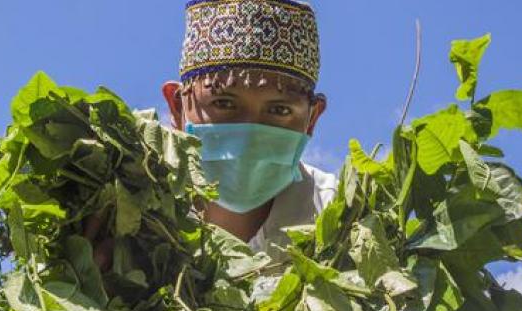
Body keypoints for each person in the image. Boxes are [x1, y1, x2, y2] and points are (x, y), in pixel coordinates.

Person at [86, 0, 337, 267]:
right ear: (177, 106)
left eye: (279, 109)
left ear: (311, 118)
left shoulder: (337, 217)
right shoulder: (120, 207)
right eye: (224, 103)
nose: (249, 139)